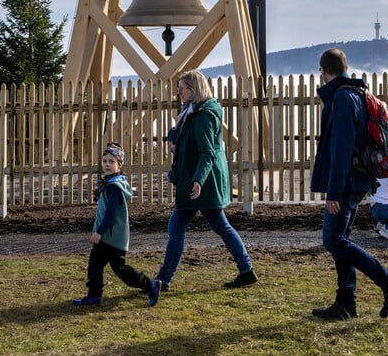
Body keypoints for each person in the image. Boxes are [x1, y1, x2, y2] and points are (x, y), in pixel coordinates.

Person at [310, 48, 388, 321]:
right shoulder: (357, 93)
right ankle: (345, 303)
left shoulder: (342, 98)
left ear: (323, 71)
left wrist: (334, 192)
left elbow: (341, 148)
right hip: (358, 177)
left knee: (333, 239)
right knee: (342, 239)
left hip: (347, 181)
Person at [152, 69, 257, 298]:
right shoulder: (193, 110)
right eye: (178, 88)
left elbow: (207, 152)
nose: (179, 93)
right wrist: (174, 138)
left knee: (179, 227)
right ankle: (246, 269)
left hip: (201, 181)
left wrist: (198, 181)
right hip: (199, 179)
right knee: (219, 227)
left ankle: (164, 278)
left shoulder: (203, 115)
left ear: (194, 89)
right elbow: (184, 133)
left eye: (183, 89)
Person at [72, 143, 161, 307]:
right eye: (104, 161)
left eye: (111, 161)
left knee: (120, 269)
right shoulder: (109, 183)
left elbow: (112, 213)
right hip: (109, 235)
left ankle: (151, 285)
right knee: (96, 266)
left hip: (111, 236)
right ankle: (94, 296)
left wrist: (99, 232)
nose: (107, 164)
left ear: (119, 164)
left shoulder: (115, 186)